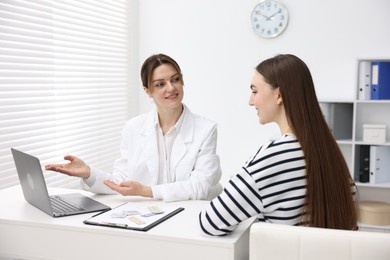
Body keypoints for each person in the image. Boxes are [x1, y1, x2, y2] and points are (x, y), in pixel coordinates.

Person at [199, 54, 357, 236]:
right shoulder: (329, 151)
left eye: (255, 91)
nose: (250, 101)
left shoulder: (275, 155)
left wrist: (245, 174)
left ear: (279, 95)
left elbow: (210, 221)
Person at [46, 53, 222, 202]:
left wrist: (146, 191)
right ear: (147, 90)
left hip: (188, 216)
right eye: (160, 84)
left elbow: (200, 186)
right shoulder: (134, 127)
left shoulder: (205, 129)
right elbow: (121, 180)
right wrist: (88, 173)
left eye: (175, 79)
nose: (171, 88)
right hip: (150, 214)